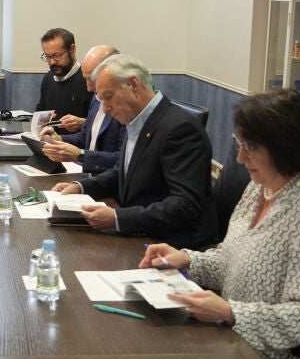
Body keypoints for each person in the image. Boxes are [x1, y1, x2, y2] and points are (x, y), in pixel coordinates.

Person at [139, 89, 300, 359]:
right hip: (232, 337)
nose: (240, 158)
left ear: (287, 146)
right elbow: (231, 260)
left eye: (250, 147)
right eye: (239, 143)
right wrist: (186, 260)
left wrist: (231, 313)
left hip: (281, 358)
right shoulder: (261, 187)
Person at [52, 54, 217, 250]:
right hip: (141, 233)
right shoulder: (138, 120)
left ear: (133, 85)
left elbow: (185, 205)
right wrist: (81, 187)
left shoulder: (179, 129)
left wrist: (117, 218)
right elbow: (122, 172)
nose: (105, 109)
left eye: (108, 97)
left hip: (170, 246)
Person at [39, 45, 125, 175]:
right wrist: (58, 139)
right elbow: (86, 137)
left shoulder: (126, 107)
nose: (88, 87)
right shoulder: (96, 98)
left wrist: (81, 155)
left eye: (92, 79)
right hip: (88, 177)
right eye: (86, 79)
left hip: (107, 181)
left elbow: (124, 160)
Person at [36, 28, 92, 133]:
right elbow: (40, 111)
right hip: (49, 141)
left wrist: (83, 123)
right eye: (47, 56)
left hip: (77, 142)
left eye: (57, 55)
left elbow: (102, 124)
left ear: (72, 50)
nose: (52, 62)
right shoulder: (48, 78)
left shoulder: (89, 80)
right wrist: (42, 120)